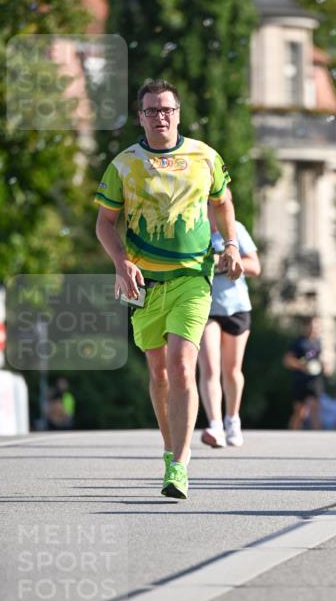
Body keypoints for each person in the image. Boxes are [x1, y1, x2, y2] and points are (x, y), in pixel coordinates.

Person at [95, 79, 243, 500]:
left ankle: (179, 466)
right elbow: (105, 223)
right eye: (151, 111)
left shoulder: (205, 156)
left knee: (181, 365)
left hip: (192, 279)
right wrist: (120, 262)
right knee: (158, 374)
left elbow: (223, 202)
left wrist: (230, 244)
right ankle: (168, 447)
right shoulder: (124, 164)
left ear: (178, 113)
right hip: (144, 283)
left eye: (167, 110)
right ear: (140, 117)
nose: (160, 117)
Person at [198, 191, 261, 449]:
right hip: (206, 307)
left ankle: (232, 419)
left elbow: (255, 266)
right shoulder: (195, 232)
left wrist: (224, 262)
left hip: (236, 307)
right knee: (210, 367)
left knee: (232, 370)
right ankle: (214, 425)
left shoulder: (235, 231)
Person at [284, 317, 324, 430]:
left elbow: (319, 359)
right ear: (305, 327)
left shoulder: (318, 343)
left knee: (315, 409)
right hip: (300, 380)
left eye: (316, 326)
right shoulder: (298, 342)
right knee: (300, 412)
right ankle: (292, 433)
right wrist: (302, 366)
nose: (313, 328)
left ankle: (318, 436)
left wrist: (324, 366)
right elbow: (287, 360)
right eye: (311, 326)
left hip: (314, 380)